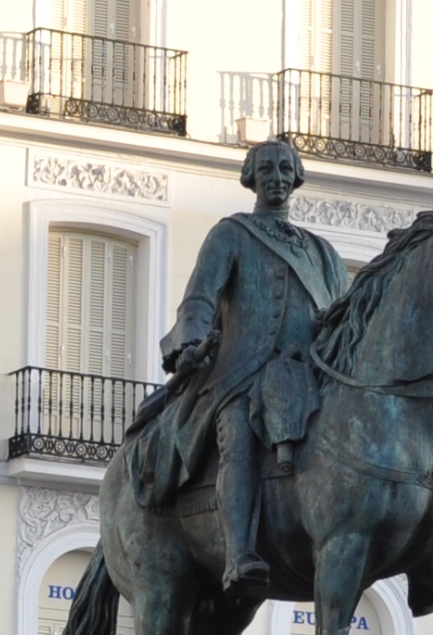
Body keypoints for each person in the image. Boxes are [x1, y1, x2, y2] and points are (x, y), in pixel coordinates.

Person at [145, 135, 340, 592]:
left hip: (309, 373)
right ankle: (238, 554)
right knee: (238, 437)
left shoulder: (322, 253)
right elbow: (199, 299)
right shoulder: (231, 234)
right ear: (251, 178)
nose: (277, 178)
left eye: (285, 169)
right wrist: (191, 344)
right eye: (266, 169)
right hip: (243, 373)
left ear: (297, 177)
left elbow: (344, 317)